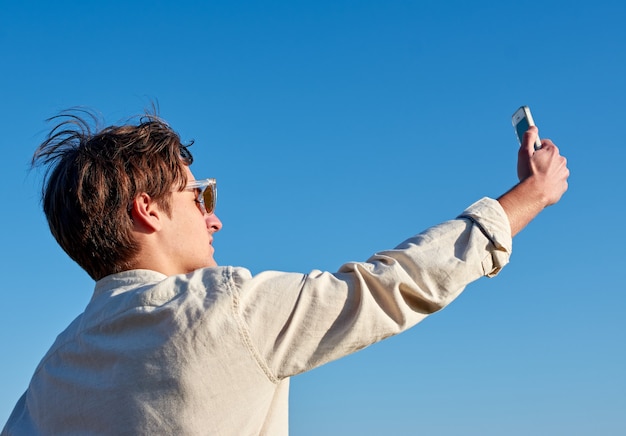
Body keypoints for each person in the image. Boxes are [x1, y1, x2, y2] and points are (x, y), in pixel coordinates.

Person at [2, 108, 569, 436]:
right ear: (147, 210)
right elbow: (393, 285)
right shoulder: (225, 308)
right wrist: (529, 196)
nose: (215, 217)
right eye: (200, 196)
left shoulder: (48, 379)